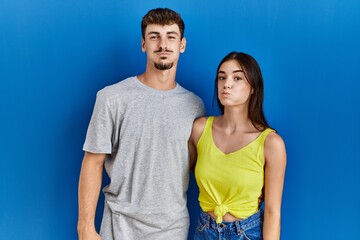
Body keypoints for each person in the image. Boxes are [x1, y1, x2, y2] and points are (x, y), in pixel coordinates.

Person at [77, 8, 205, 240]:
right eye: (154, 36)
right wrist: (85, 228)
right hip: (119, 226)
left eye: (171, 36)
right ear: (144, 44)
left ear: (182, 45)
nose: (163, 44)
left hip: (172, 229)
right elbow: (92, 162)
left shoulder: (194, 106)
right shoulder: (111, 98)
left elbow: (198, 165)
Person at [188, 51, 286, 240]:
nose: (227, 84)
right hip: (204, 231)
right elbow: (184, 172)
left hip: (246, 232)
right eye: (222, 77)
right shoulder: (200, 129)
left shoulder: (271, 144)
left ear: (253, 88)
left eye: (237, 78)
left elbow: (273, 212)